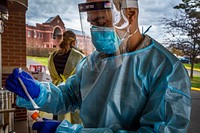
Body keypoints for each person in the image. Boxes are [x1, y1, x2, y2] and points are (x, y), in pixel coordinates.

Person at [5, 0, 191, 133]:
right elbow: (68, 96)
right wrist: (37, 92)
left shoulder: (165, 69)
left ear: (130, 15)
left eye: (101, 22)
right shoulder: (92, 62)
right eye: (92, 24)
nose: (95, 31)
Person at [47, 30, 84, 122]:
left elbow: (52, 74)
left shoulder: (53, 55)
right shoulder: (79, 56)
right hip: (72, 93)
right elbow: (83, 75)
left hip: (56, 90)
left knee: (57, 118)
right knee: (73, 121)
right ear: (74, 42)